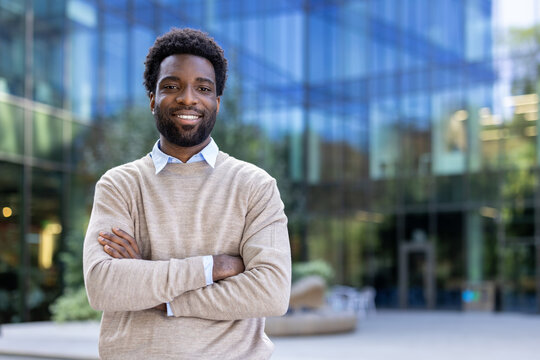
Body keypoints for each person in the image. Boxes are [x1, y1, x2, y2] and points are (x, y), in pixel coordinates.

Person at [83, 28, 291, 359]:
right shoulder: (118, 184)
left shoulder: (256, 185)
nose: (188, 98)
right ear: (152, 99)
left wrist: (155, 289)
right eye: (171, 86)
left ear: (217, 103)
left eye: (203, 88)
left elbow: (271, 293)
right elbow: (104, 286)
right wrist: (212, 268)